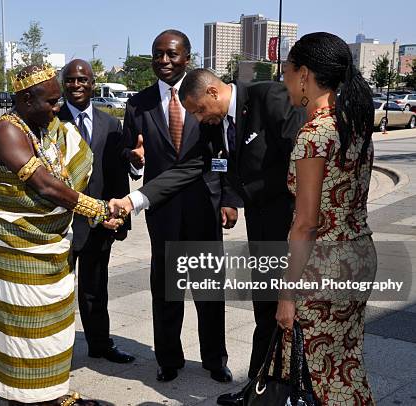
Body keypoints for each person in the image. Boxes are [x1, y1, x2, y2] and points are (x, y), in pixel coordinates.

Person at [112, 67, 305, 404]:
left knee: (290, 315)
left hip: (291, 226)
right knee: (266, 314)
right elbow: (189, 167)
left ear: (213, 92)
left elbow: (301, 158)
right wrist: (134, 199)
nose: (199, 119)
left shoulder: (268, 98)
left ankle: (293, 392)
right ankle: (258, 393)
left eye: (199, 110)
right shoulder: (216, 126)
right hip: (261, 228)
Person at [0, 64, 122, 405]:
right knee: (24, 331)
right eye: (52, 102)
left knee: (53, 330)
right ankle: (26, 397)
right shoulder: (7, 132)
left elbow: (74, 160)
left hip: (52, 246)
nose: (58, 108)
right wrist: (100, 210)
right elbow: (46, 185)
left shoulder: (44, 126)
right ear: (27, 99)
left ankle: (51, 392)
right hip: (18, 250)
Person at [122, 30, 239, 383]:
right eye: (157, 54)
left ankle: (215, 359)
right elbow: (131, 157)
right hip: (164, 211)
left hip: (206, 205)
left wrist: (230, 199)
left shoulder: (204, 96)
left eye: (171, 54)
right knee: (167, 289)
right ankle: (168, 359)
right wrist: (135, 162)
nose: (164, 61)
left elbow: (225, 151)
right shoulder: (137, 105)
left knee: (208, 289)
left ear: (188, 57)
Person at [275, 32, 376, 404]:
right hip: (358, 256)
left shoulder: (314, 134)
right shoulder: (353, 122)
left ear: (304, 74)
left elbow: (306, 223)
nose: (284, 80)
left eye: (286, 71)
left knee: (318, 377)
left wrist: (287, 294)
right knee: (345, 366)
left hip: (321, 270)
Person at [59, 59, 135, 364]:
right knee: (57, 293)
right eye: (70, 80)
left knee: (95, 290)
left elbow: (117, 174)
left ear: (93, 84)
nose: (76, 85)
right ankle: (57, 351)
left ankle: (100, 344)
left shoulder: (109, 124)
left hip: (98, 223)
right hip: (60, 224)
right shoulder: (51, 120)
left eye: (82, 80)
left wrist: (121, 219)